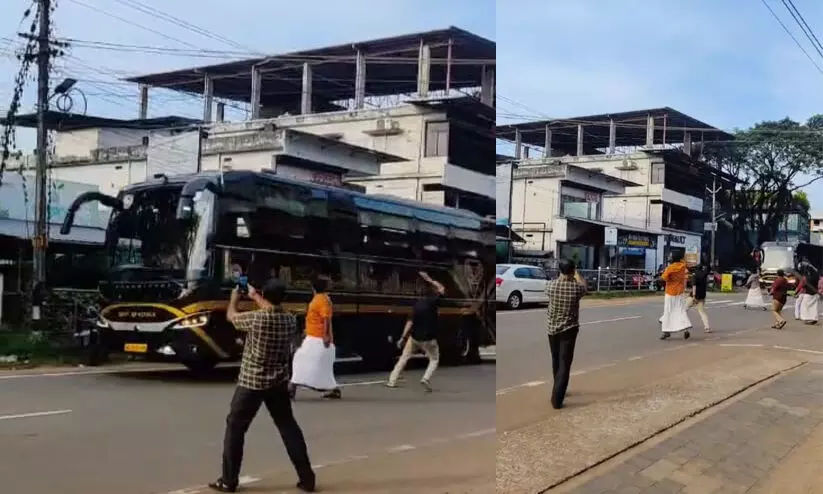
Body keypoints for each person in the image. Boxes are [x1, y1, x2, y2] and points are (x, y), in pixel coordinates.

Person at [209, 279, 315, 493]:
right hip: (277, 382)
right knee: (288, 427)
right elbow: (271, 309)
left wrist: (234, 299)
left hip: (251, 381)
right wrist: (255, 295)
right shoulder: (289, 320)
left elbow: (232, 317)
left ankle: (229, 480)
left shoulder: (256, 319)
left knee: (236, 426)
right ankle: (307, 478)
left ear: (265, 296)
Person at [386, 271, 445, 392]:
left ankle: (392, 380)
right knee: (434, 359)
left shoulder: (417, 305)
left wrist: (403, 338)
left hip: (414, 337)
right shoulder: (434, 302)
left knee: (404, 357)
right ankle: (425, 378)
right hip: (429, 338)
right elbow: (442, 288)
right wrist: (429, 279)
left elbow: (410, 322)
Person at [544, 258, 588, 410]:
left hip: (552, 330)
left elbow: (549, 287)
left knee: (555, 360)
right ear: (572, 271)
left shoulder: (551, 286)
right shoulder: (576, 289)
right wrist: (577, 274)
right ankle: (557, 398)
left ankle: (558, 386)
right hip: (569, 330)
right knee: (565, 364)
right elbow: (584, 286)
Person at [290, 275, 341, 400]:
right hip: (313, 336)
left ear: (313, 287)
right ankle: (334, 389)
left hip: (317, 338)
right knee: (321, 365)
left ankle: (292, 388)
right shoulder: (319, 299)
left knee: (299, 359)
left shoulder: (322, 300)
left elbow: (326, 319)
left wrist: (325, 335)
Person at [659, 251, 692, 340]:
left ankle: (666, 332)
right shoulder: (683, 266)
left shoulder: (670, 268)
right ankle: (686, 329)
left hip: (670, 293)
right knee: (680, 311)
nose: (669, 257)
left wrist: (660, 279)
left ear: (673, 258)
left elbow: (662, 279)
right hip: (680, 292)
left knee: (668, 311)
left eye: (670, 256)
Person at [687, 263, 711, 333]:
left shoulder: (695, 275)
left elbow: (694, 286)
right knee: (702, 312)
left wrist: (694, 296)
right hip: (702, 296)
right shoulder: (704, 274)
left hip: (694, 296)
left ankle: (683, 324)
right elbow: (708, 268)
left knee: (684, 309)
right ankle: (707, 327)